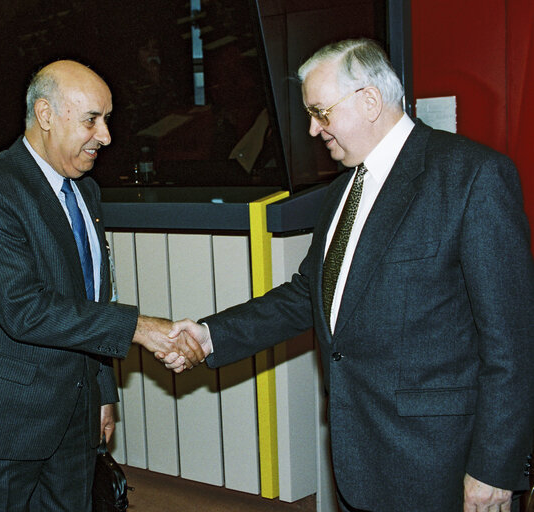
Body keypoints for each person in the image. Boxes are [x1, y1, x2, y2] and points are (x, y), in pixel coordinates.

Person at [167, 39, 534, 511]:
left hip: (444, 465)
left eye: (321, 112)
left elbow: (513, 345)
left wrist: (493, 469)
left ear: (369, 100)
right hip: (361, 458)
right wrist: (208, 334)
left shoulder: (472, 177)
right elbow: (308, 295)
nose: (315, 130)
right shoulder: (342, 191)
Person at [0, 60, 202, 512]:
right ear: (45, 115)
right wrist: (140, 327)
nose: (106, 136)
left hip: (73, 419)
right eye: (91, 120)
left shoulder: (86, 192)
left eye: (107, 120)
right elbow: (25, 309)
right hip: (2, 421)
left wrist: (102, 392)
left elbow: (93, 299)